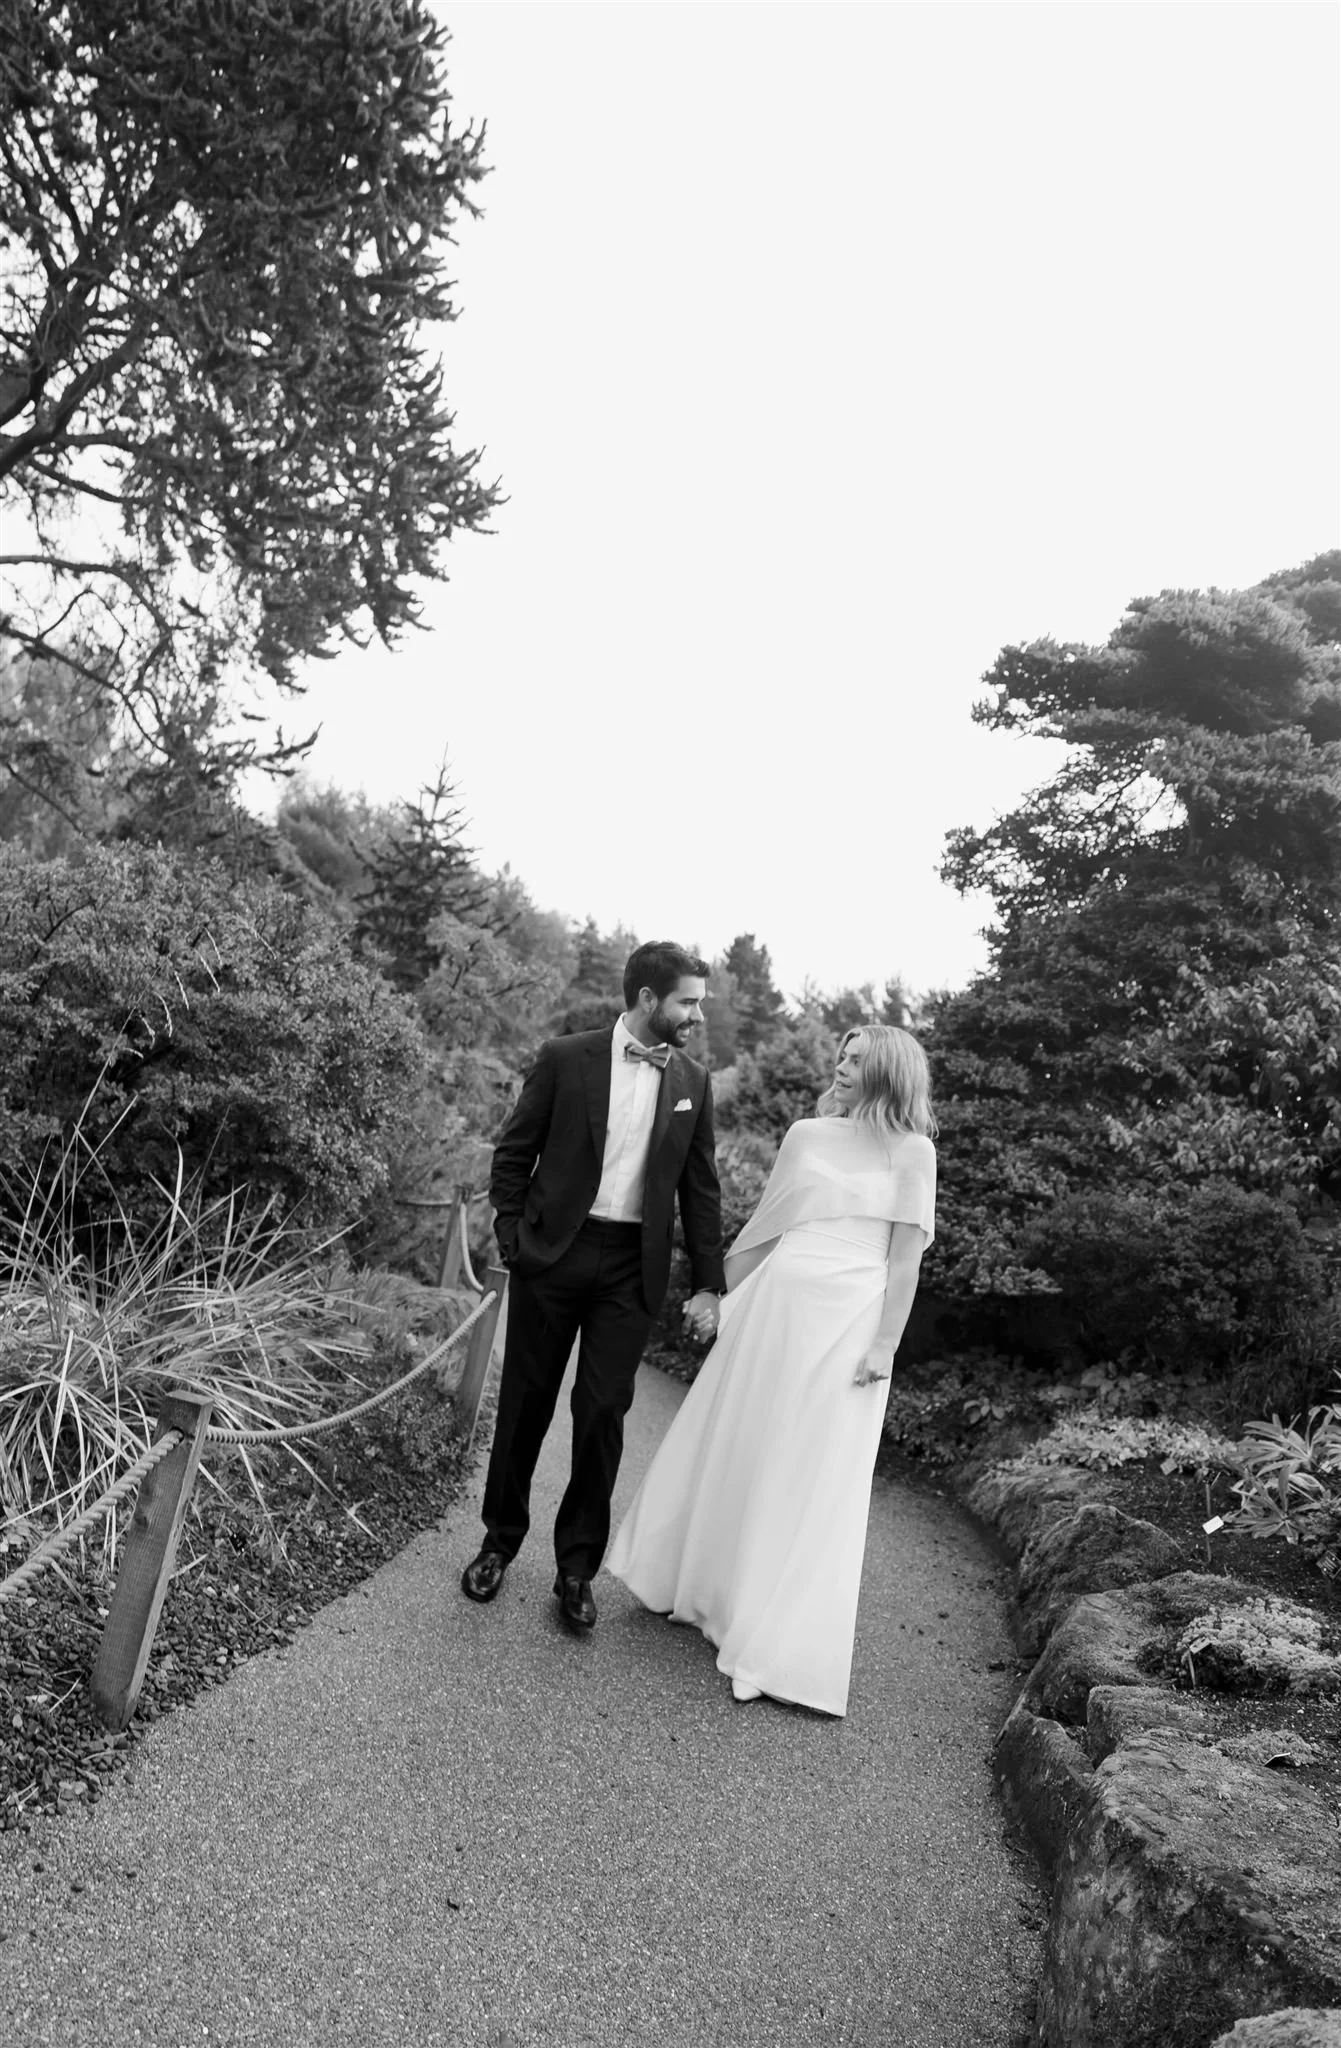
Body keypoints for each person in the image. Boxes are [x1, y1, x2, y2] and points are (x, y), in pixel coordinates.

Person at [606, 1024, 936, 1717]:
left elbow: (904, 1261)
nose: (839, 1066)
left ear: (887, 1072)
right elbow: (766, 1226)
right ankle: (705, 1594)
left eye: (855, 1060)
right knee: (746, 1445)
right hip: (778, 1308)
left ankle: (770, 1642)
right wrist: (715, 1297)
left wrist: (885, 1344)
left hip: (849, 1320)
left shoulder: (915, 1152)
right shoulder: (806, 1135)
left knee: (810, 1470)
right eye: (840, 1055)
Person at [460, 940, 727, 1633]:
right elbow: (514, 1153)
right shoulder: (564, 1057)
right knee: (526, 1403)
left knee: (602, 1412)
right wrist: (514, 1238)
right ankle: (498, 1543)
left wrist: (709, 1284)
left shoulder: (694, 1081)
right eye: (688, 1002)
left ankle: (576, 1569)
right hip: (553, 1255)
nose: (697, 1015)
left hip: (631, 1269)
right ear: (648, 999)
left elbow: (701, 1191)